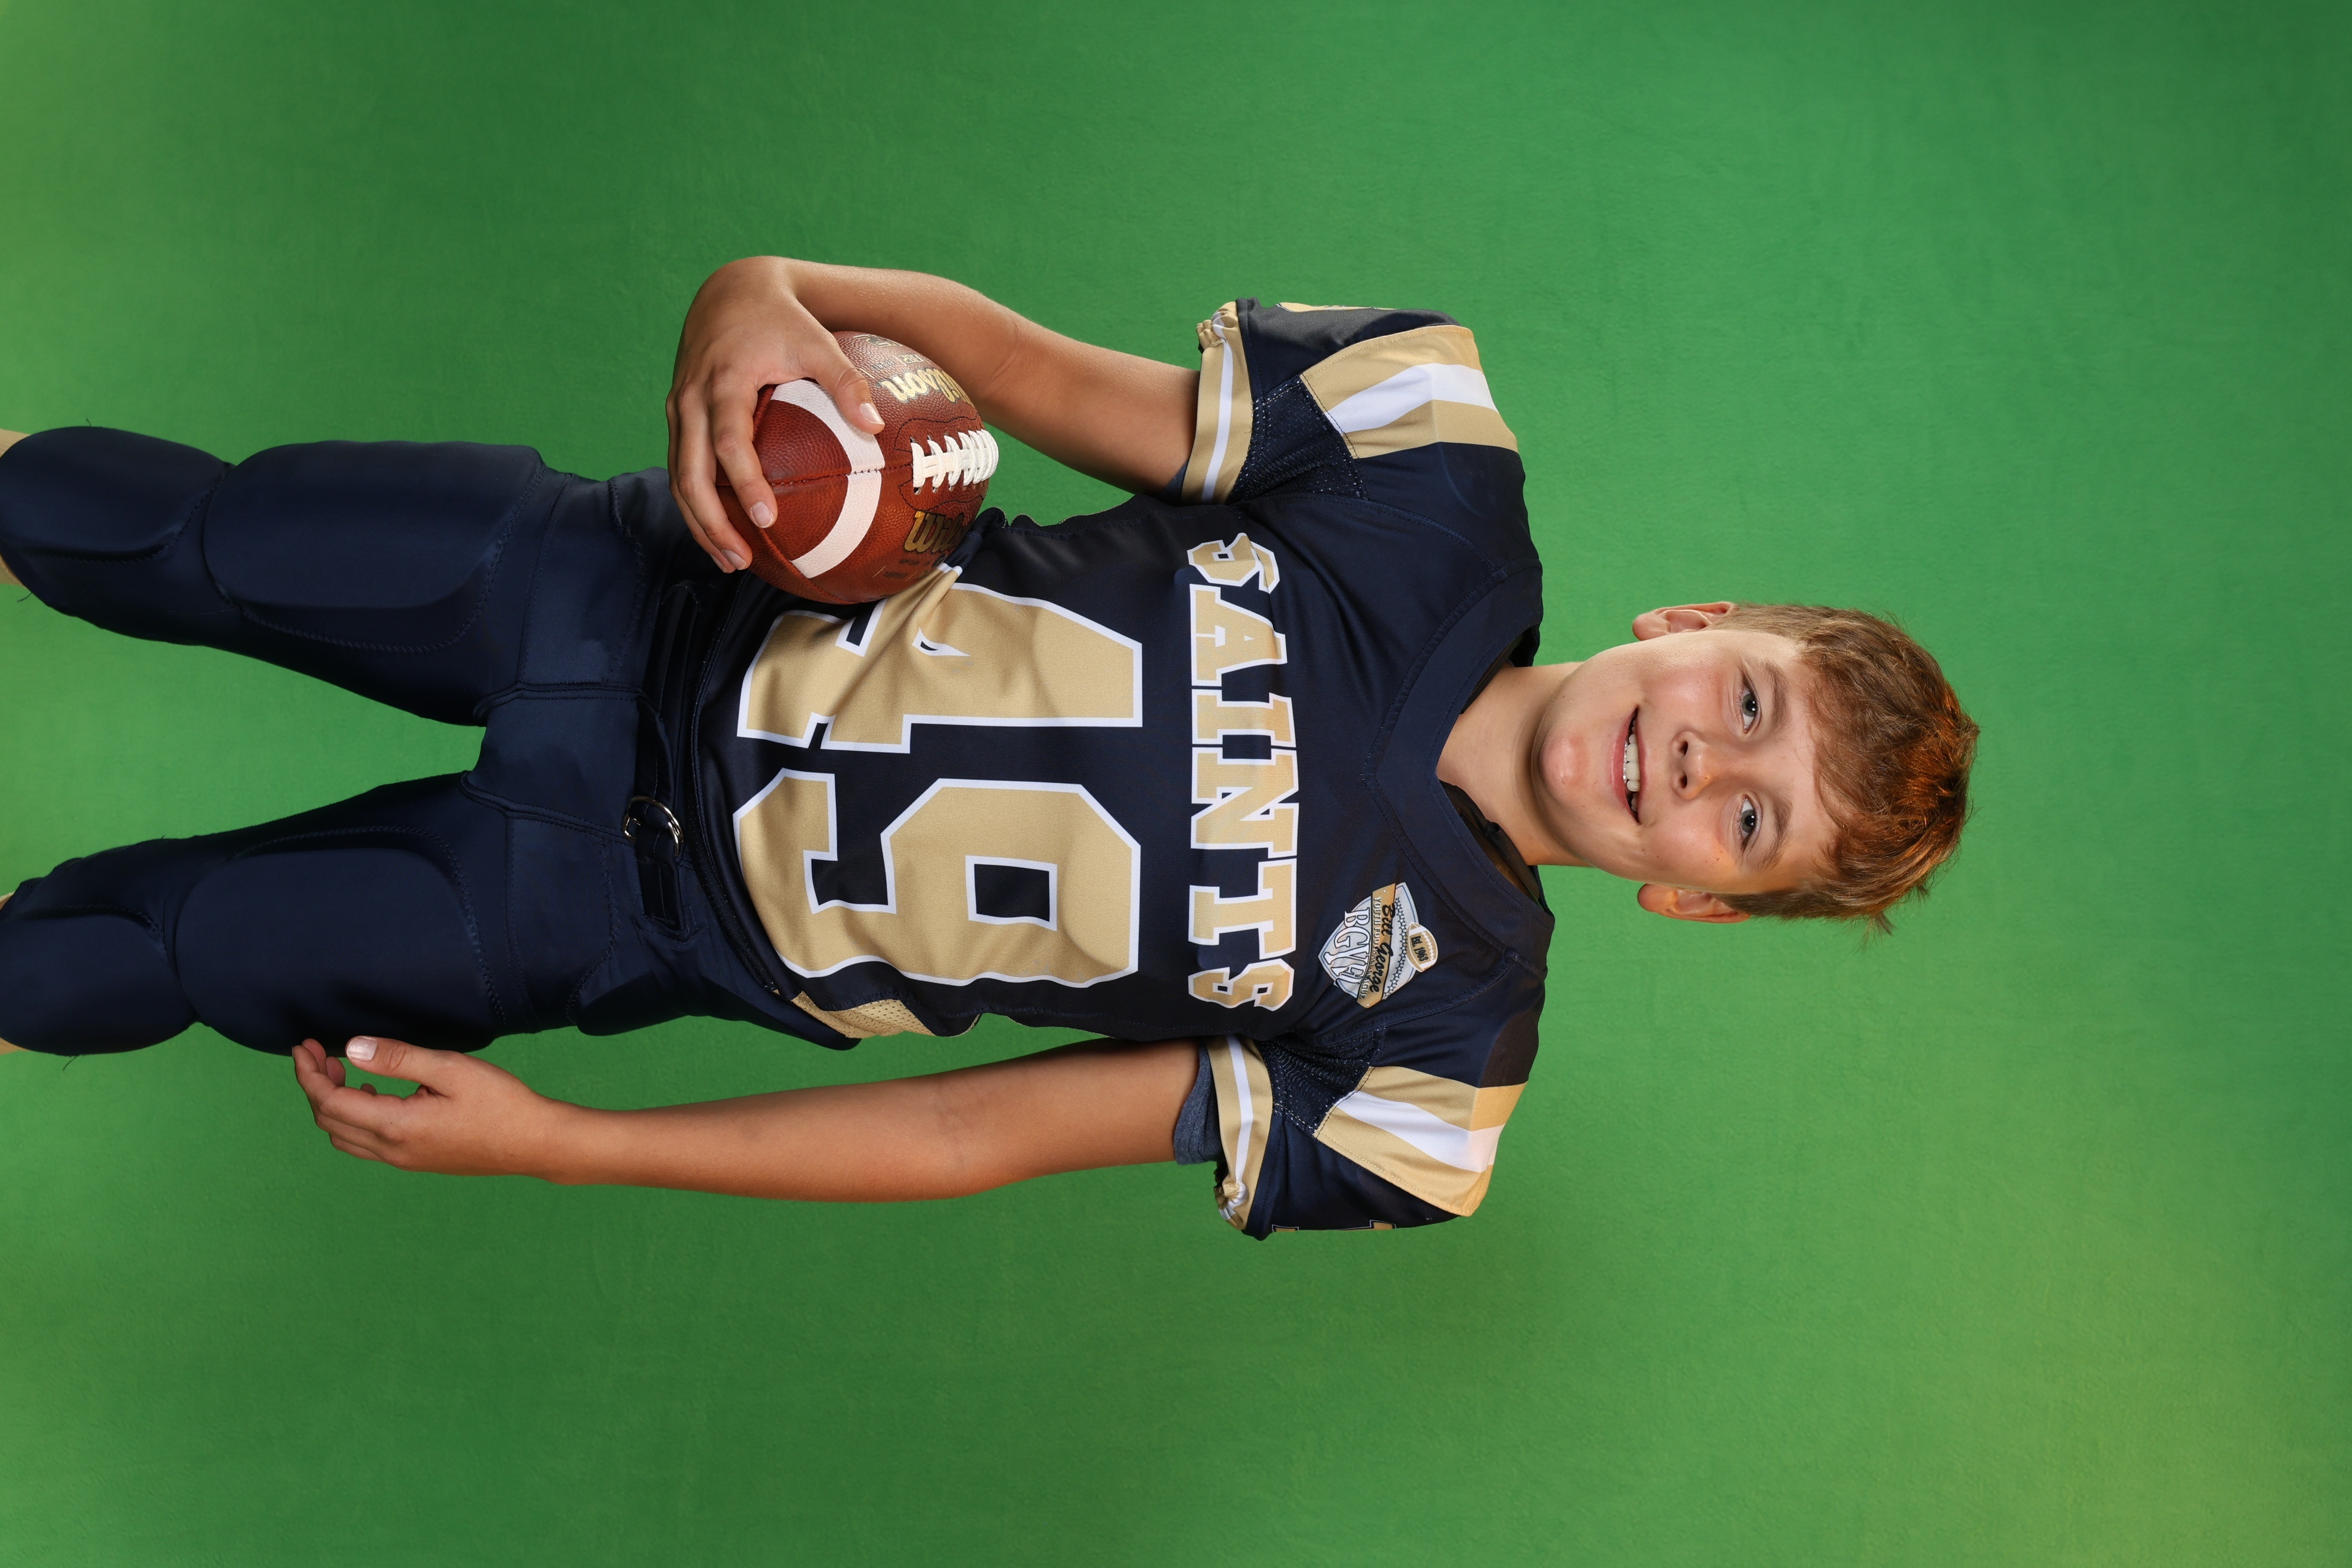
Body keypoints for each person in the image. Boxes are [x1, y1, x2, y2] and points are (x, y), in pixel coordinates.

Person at [0, 259, 1977, 1236]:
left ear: (1699, 905)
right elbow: (1006, 365)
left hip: (616, 911)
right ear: (1694, 622)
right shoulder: (1425, 469)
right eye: (1746, 704)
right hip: (630, 583)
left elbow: (978, 1132)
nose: (1697, 766)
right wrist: (761, 294)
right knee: (165, 531)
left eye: (1750, 823)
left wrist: (572, 1147)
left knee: (125, 958)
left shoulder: (1433, 1071)